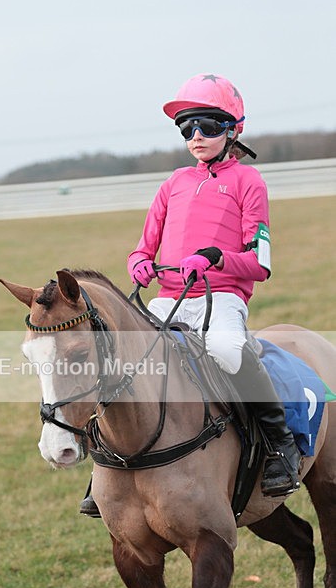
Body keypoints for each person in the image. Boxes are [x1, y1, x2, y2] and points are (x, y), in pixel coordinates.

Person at [80, 73, 300, 518]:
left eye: (208, 126)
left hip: (221, 300)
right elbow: (143, 246)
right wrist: (138, 262)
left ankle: (281, 446)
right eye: (187, 128)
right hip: (167, 298)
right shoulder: (173, 183)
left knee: (226, 348)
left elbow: (260, 263)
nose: (196, 136)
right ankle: (102, 466)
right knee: (122, 354)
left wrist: (217, 259)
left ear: (233, 129)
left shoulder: (249, 181)